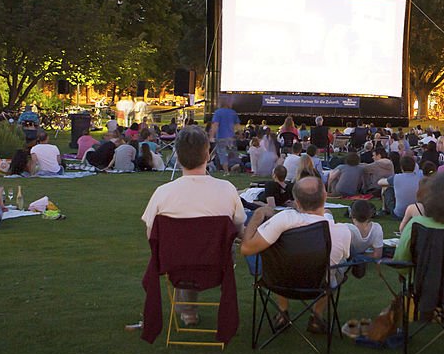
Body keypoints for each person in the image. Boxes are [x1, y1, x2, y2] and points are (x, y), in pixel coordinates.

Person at [140, 125, 246, 326]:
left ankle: (188, 312)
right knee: (196, 249)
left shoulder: (163, 193)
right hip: (217, 264)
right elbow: (239, 229)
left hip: (176, 264)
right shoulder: (226, 190)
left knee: (185, 249)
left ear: (177, 157)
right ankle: (188, 310)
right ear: (208, 154)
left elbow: (151, 236)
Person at [240, 177, 351, 333]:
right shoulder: (342, 231)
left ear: (296, 201)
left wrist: (258, 214)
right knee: (338, 266)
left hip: (279, 283)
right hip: (318, 286)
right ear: (325, 197)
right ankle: (317, 316)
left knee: (282, 259)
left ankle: (282, 312)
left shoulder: (284, 220)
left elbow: (246, 248)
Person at [209, 103, 241, 173]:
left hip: (221, 137)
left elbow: (215, 124)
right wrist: (240, 134)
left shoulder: (218, 112)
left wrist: (211, 136)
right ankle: (234, 167)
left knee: (222, 155)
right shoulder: (233, 112)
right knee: (233, 154)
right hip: (231, 137)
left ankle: (226, 171)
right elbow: (238, 125)